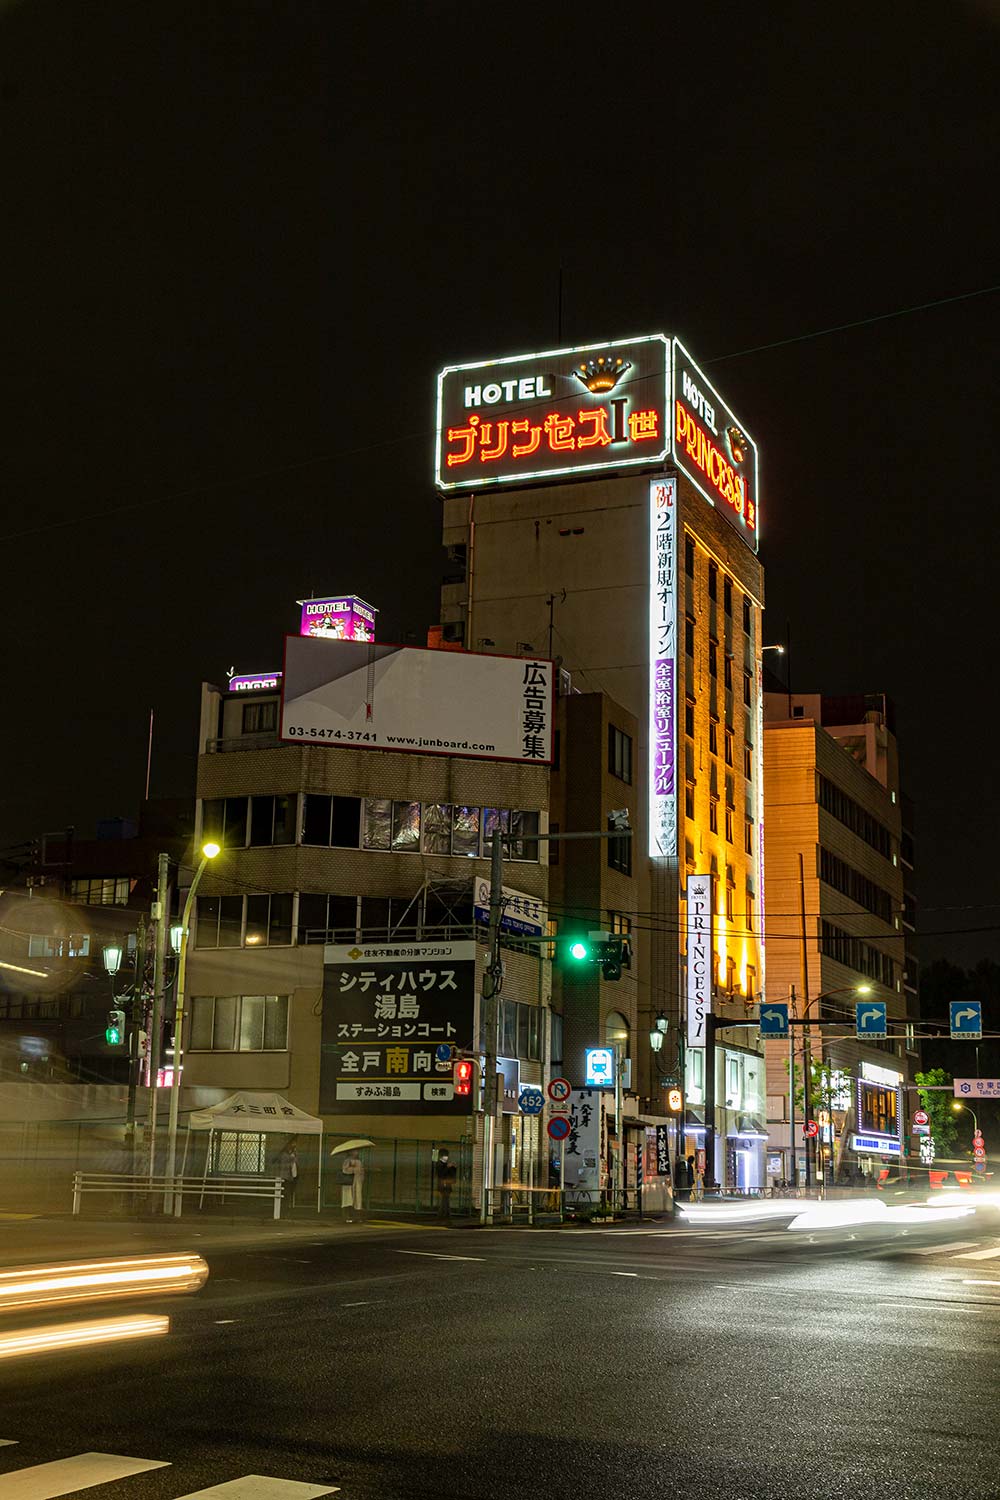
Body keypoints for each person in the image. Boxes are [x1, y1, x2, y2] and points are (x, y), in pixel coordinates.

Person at [340, 1151, 365, 1222]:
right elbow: (345, 1170)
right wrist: (354, 1169)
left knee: (357, 1199)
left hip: (357, 1182)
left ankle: (357, 1217)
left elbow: (362, 1171)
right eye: (355, 1151)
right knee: (348, 1199)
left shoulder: (359, 1161)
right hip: (349, 1183)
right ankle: (347, 1216)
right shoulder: (347, 1161)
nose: (356, 1153)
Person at [435, 1148, 457, 1223]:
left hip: (447, 1184)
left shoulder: (445, 1164)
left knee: (445, 1200)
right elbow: (441, 1174)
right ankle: (444, 1215)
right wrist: (448, 1167)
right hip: (443, 1184)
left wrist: (453, 1167)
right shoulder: (439, 1164)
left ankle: (444, 1215)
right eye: (445, 1155)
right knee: (445, 1200)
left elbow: (451, 1173)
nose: (446, 1157)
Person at [278, 1141, 299, 1210]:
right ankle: (285, 1205)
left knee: (290, 1190)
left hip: (292, 1176)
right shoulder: (284, 1155)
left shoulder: (294, 1155)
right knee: (286, 1190)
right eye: (293, 1147)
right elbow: (285, 1165)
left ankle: (289, 1205)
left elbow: (296, 1164)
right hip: (286, 1176)